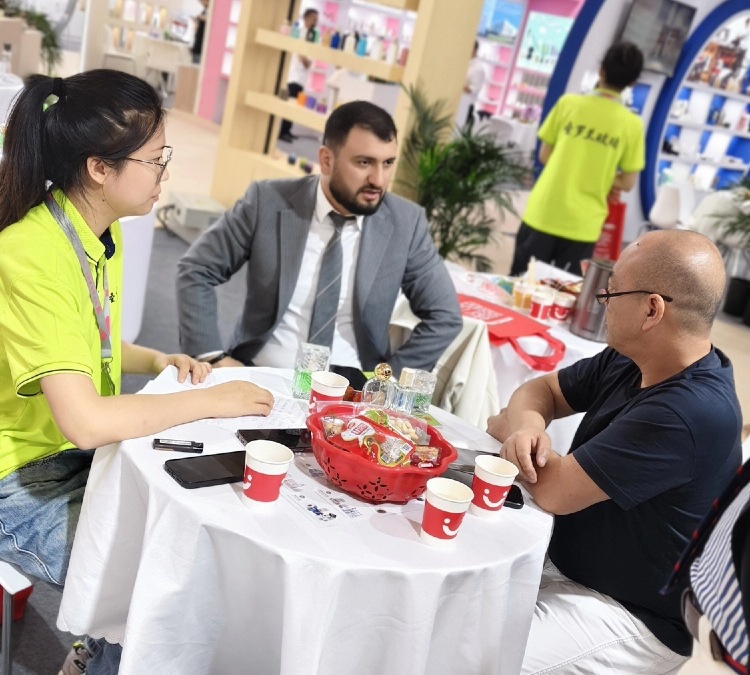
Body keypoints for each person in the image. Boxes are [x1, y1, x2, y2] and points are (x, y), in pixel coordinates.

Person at [0, 70, 274, 675]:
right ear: (100, 168)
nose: (164, 173)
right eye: (155, 159)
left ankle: (97, 650)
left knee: (185, 538)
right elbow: (85, 420)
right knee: (155, 592)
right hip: (16, 476)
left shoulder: (96, 234)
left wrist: (156, 360)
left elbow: (86, 342)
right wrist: (213, 399)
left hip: (69, 454)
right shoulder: (31, 252)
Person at [488, 229, 743, 673]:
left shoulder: (689, 410)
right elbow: (540, 389)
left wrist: (513, 426)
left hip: (628, 613)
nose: (602, 299)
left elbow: (554, 491)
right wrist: (527, 425)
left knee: (474, 658)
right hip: (564, 559)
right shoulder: (638, 355)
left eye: (613, 290)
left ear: (651, 310)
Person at [176, 100, 462, 378]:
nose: (378, 179)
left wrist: (386, 381)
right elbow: (197, 268)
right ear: (326, 160)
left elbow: (445, 316)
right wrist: (212, 357)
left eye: (387, 163)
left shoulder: (406, 223)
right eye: (364, 162)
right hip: (262, 373)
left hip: (351, 389)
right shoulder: (267, 201)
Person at [510, 42, 646, 276]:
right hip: (584, 225)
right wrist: (602, 176)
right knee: (562, 294)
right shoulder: (632, 124)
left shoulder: (568, 104)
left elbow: (544, 155)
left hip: (543, 212)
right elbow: (627, 182)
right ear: (632, 82)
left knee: (520, 286)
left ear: (601, 71)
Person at [279, 7, 318, 143]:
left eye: (316, 20)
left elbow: (309, 59)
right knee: (289, 104)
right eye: (313, 19)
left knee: (295, 105)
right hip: (293, 78)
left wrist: (307, 61)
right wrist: (306, 61)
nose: (315, 22)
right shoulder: (298, 34)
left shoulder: (313, 37)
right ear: (306, 19)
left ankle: (287, 130)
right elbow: (302, 57)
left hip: (301, 79)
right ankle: (283, 131)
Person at [462, 40, 486, 128]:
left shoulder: (478, 68)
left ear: (475, 50)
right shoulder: (464, 62)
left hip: (466, 106)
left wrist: (462, 86)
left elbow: (474, 89)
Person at [191, 0, 209, 65]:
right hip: (198, 41)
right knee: (195, 62)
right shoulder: (204, 10)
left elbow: (209, 19)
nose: (200, 2)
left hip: (202, 43)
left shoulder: (211, 10)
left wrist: (200, 17)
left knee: (197, 64)